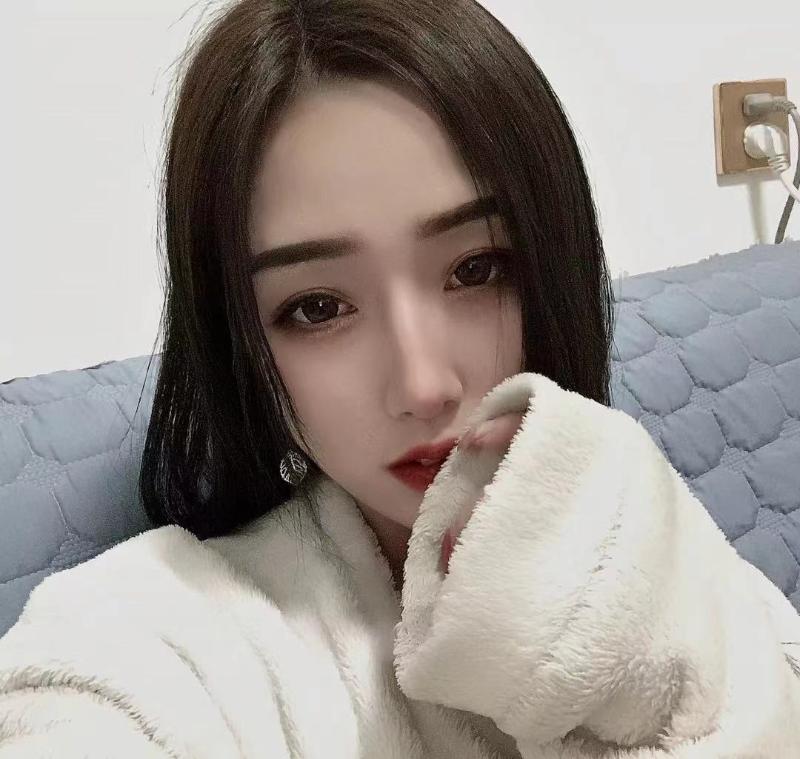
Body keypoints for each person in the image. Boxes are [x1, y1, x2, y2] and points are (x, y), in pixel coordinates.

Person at [1, 0, 799, 756]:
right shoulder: (151, 645)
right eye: (318, 307)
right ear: (240, 339)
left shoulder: (674, 548)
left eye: (476, 267)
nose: (423, 385)